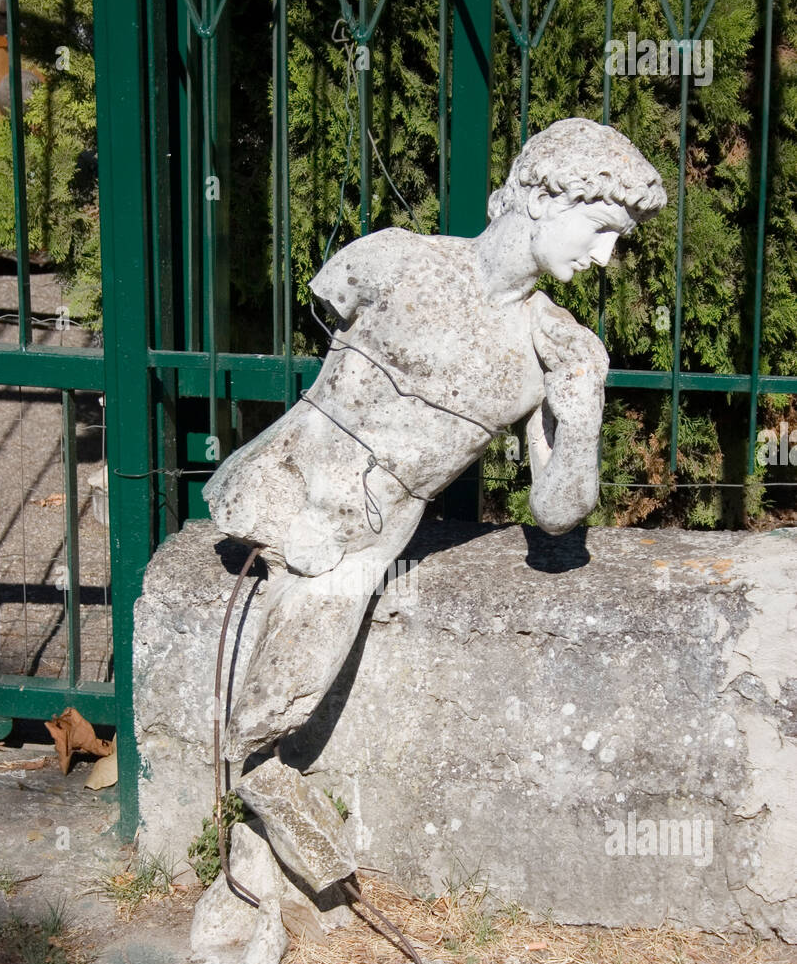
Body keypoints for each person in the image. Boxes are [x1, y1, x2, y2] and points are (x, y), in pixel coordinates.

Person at [205, 117, 667, 762]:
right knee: (284, 673)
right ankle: (245, 803)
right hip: (286, 476)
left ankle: (247, 790)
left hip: (372, 530)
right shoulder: (395, 258)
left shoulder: (556, 345)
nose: (603, 257)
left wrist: (583, 418)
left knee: (291, 687)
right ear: (541, 201)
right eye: (601, 230)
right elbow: (331, 312)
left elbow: (559, 513)